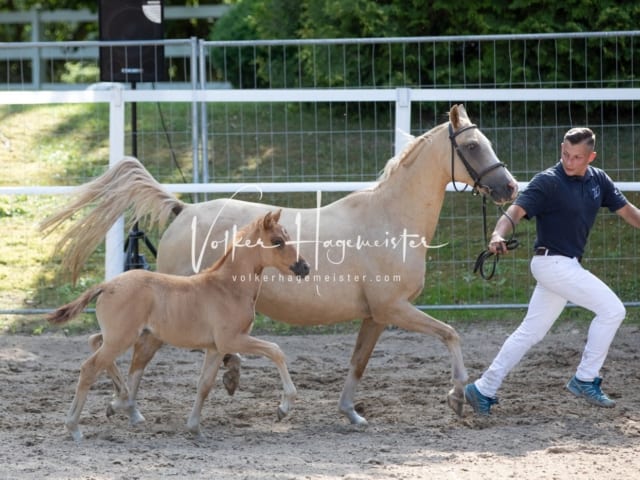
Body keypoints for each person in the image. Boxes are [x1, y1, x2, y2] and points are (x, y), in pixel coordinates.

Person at [465, 126, 640, 416]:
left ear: (591, 157)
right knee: (613, 311)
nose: (569, 162)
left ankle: (482, 388)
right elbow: (514, 212)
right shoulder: (548, 181)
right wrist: (497, 235)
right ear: (561, 148)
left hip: (564, 267)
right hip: (553, 264)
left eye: (576, 157)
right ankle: (585, 379)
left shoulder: (599, 181)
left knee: (529, 332)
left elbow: (629, 212)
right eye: (565, 154)